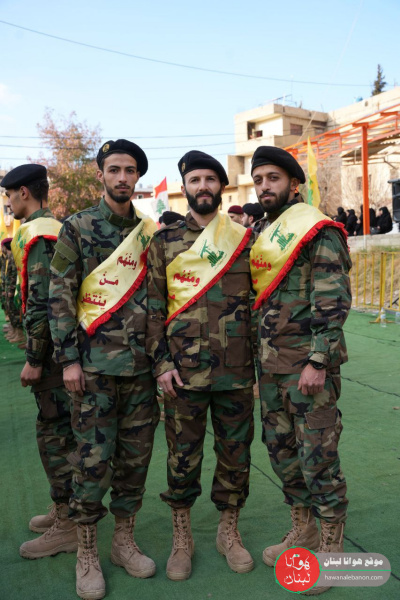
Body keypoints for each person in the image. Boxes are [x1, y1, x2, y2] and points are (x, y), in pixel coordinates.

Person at [49, 140, 160, 600]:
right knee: (92, 463)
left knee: (135, 462)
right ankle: (87, 551)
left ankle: (123, 542)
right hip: (92, 370)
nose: (122, 178)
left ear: (138, 177)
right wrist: (68, 360)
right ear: (100, 174)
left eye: (130, 170)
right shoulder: (76, 228)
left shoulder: (149, 233)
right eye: (114, 169)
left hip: (141, 371)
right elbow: (60, 296)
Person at [146, 150, 255, 581]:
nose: (203, 186)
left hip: (236, 372)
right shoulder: (164, 242)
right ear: (185, 187)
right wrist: (160, 364)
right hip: (182, 373)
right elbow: (153, 309)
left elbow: (260, 303)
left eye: (210, 179)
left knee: (236, 456)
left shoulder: (244, 239)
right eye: (195, 180)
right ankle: (182, 537)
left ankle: (228, 531)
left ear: (220, 186)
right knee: (181, 458)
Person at [250, 146, 351, 596]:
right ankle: (304, 530)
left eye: (273, 178)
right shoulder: (261, 231)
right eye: (258, 180)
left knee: (318, 459)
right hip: (271, 369)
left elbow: (332, 299)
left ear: (293, 183)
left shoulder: (316, 230)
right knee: (283, 455)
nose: (264, 186)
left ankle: (332, 548)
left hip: (308, 369)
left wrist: (318, 360)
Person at [2, 165, 77, 556]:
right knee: (58, 429)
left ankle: (68, 522)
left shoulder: (40, 235)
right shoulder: (49, 228)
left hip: (52, 357)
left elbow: (44, 302)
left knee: (55, 434)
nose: (7, 203)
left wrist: (34, 358)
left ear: (24, 193)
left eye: (8, 195)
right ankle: (64, 509)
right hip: (60, 352)